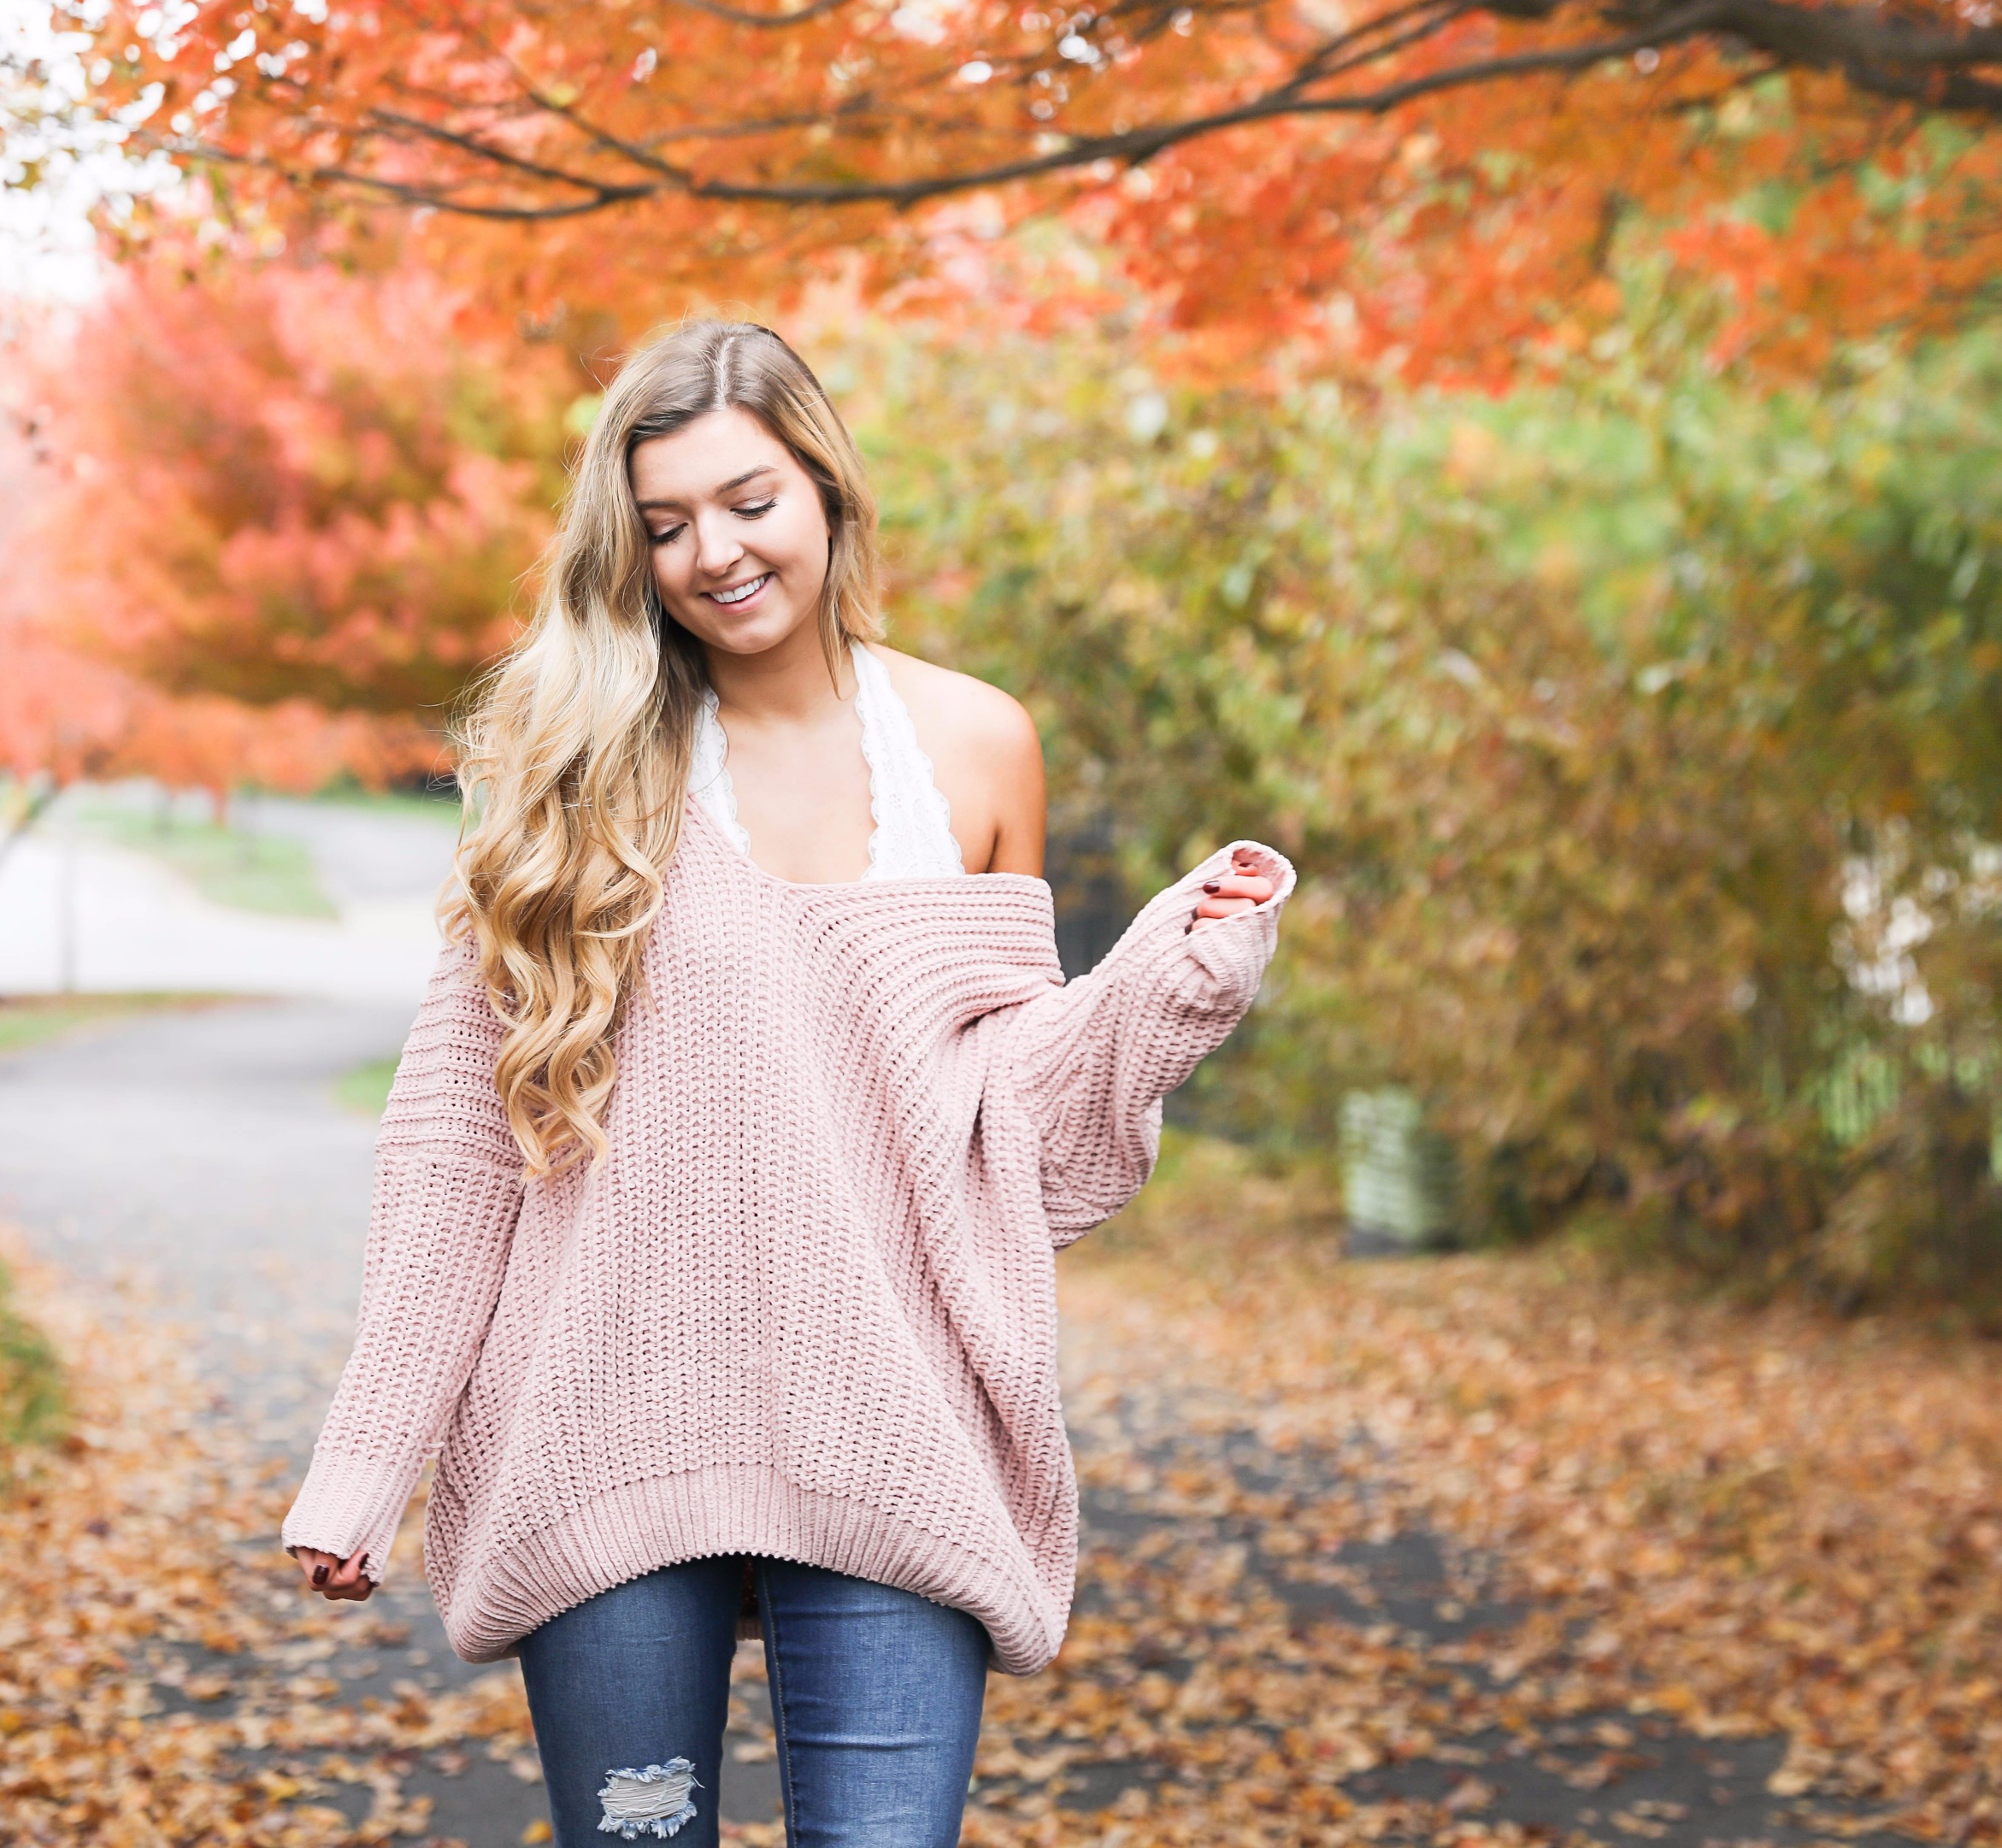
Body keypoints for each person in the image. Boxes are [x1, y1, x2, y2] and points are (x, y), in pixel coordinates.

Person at [283, 319, 1292, 1846]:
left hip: (890, 1427)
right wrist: (368, 1464)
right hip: (608, 1434)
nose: (717, 554)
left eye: (750, 500)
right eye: (668, 523)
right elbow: (460, 1147)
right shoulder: (578, 771)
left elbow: (1000, 1123)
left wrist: (1169, 976)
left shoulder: (974, 743)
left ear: (826, 488)